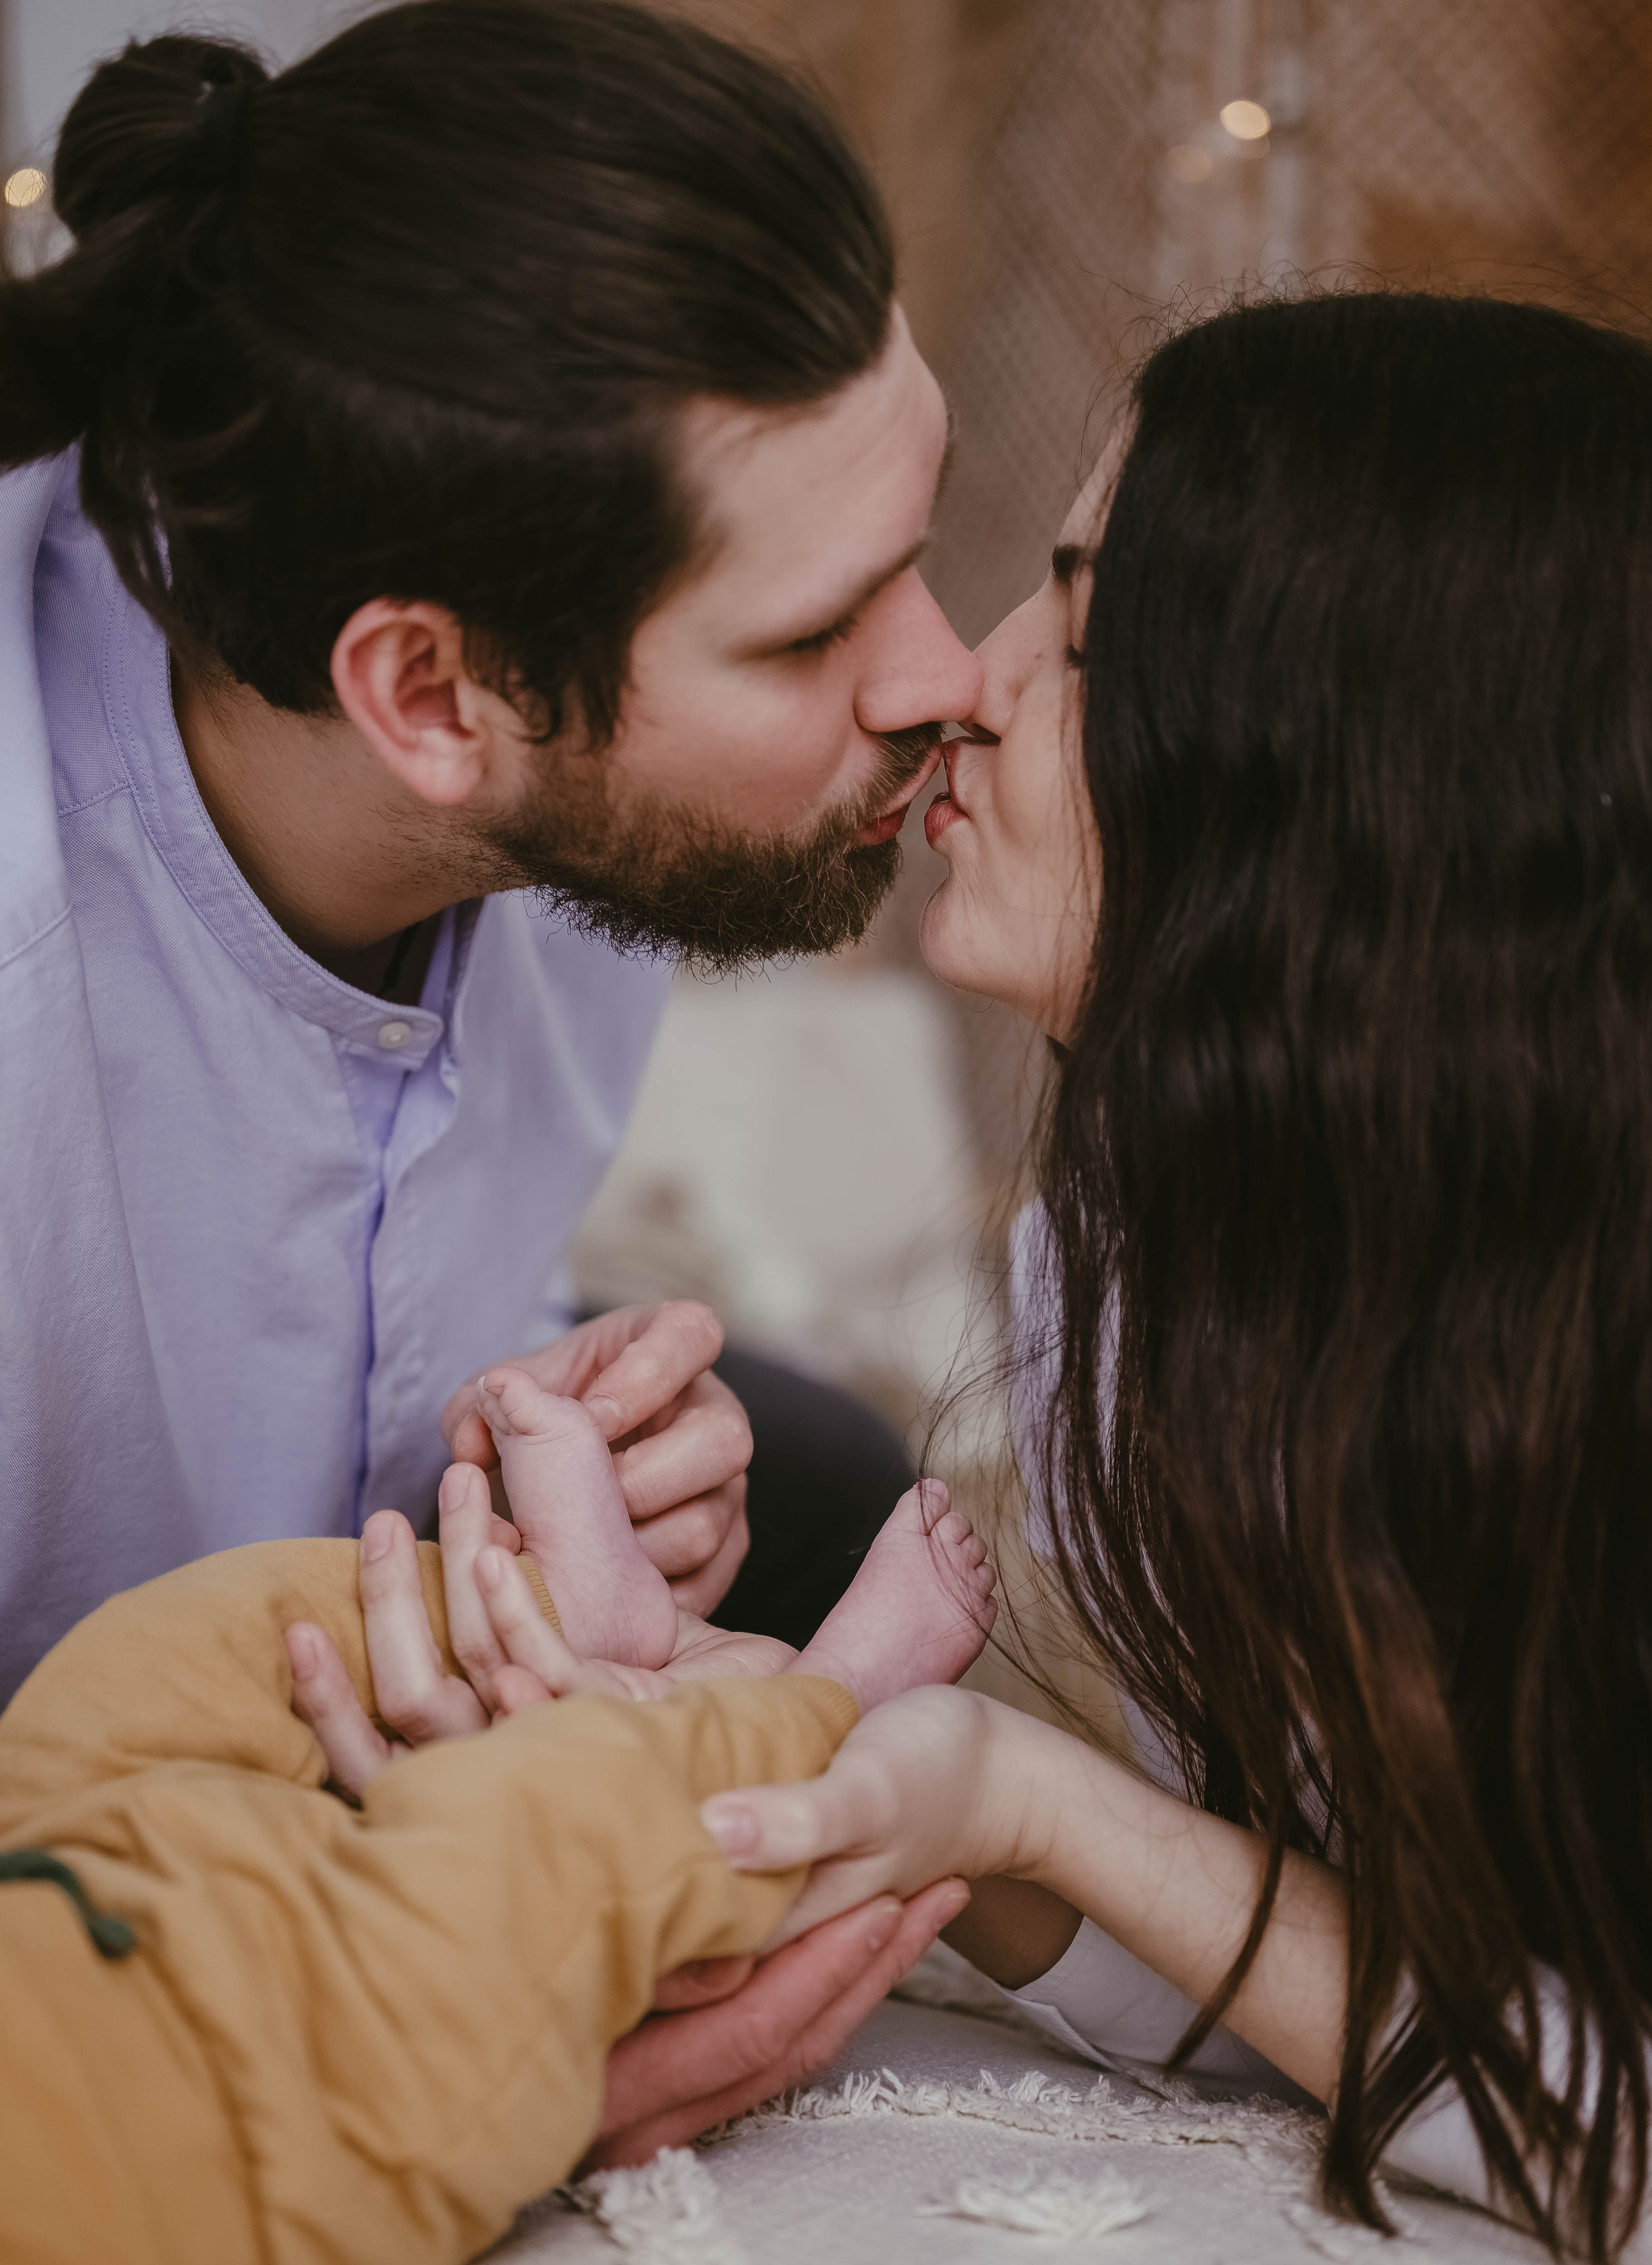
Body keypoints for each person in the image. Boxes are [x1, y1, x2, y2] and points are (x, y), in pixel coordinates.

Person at [697, 289, 1652, 2265]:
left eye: (1089, 636)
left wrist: (1041, 1806)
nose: (965, 682)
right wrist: (923, 1811)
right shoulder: (1146, 1276)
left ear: (1345, 769)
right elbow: (1335, 1989)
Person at [0, 0, 982, 1708]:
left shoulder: (553, 772)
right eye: (812, 633)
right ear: (428, 695)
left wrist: (551, 1464)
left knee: (830, 1477)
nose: (945, 676)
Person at [0, 1380, 993, 2265]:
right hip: (242, 2104)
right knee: (541, 1850)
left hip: (39, 1880)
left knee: (157, 1663)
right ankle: (831, 1703)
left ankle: (563, 1612)